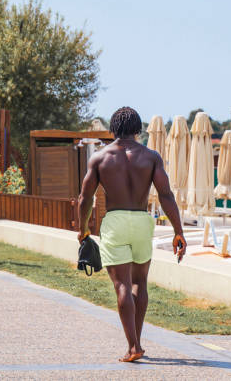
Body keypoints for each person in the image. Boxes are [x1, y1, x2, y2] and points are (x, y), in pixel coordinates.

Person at [78, 106, 187, 363]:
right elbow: (166, 195)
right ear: (138, 130)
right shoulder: (151, 157)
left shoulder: (100, 158)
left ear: (113, 129)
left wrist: (82, 229)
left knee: (122, 286)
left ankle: (133, 346)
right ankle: (136, 342)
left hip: (115, 222)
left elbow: (85, 198)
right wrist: (178, 231)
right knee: (139, 283)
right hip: (141, 222)